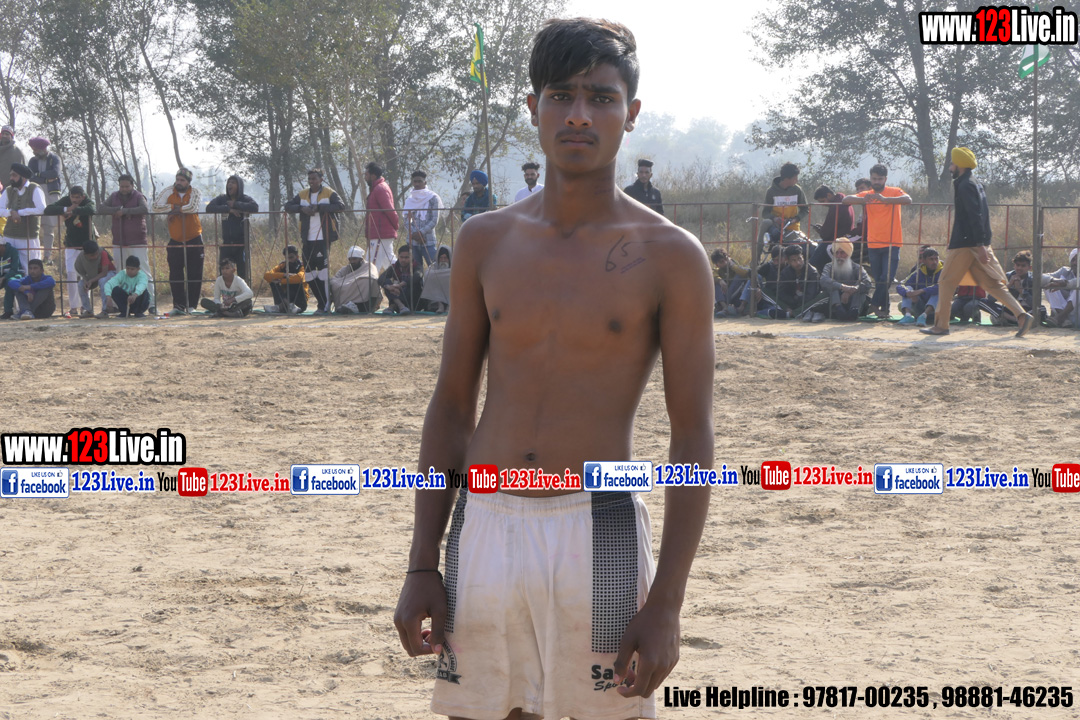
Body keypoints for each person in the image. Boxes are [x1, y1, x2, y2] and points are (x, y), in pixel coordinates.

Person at [394, 19, 713, 720]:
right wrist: (422, 561)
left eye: (601, 97)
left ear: (631, 112)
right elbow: (452, 407)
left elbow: (692, 435)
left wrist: (667, 602)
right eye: (561, 95)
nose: (578, 115)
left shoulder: (670, 254)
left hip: (601, 524)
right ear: (533, 107)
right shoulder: (485, 240)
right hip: (485, 518)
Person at [922, 148, 1035, 337]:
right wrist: (982, 243)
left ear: (959, 165)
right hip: (975, 242)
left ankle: (941, 326)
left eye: (952, 163)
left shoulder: (964, 185)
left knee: (946, 282)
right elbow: (979, 215)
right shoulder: (975, 183)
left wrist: (980, 244)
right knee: (992, 284)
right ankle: (1022, 315)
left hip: (967, 244)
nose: (950, 167)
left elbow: (974, 216)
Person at [843, 164, 911, 319]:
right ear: (871, 179)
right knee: (880, 279)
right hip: (873, 243)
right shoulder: (868, 194)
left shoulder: (894, 191)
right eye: (874, 179)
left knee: (887, 277)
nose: (877, 182)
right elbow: (846, 200)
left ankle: (874, 305)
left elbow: (908, 199)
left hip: (892, 242)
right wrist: (862, 199)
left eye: (880, 179)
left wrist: (886, 200)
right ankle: (884, 310)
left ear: (885, 179)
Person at [285, 168, 344, 314]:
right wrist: (302, 209)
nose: (311, 181)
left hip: (323, 238)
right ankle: (322, 301)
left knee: (323, 273)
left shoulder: (329, 192)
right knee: (309, 274)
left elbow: (340, 206)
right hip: (307, 239)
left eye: (314, 179)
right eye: (309, 179)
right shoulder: (303, 194)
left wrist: (320, 208)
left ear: (321, 179)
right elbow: (288, 206)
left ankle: (324, 305)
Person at [98, 174, 154, 312]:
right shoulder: (114, 196)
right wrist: (117, 210)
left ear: (132, 186)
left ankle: (151, 304)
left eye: (127, 186)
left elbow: (144, 209)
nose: (124, 189)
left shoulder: (139, 196)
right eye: (122, 186)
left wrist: (125, 211)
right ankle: (120, 305)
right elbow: (101, 208)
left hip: (137, 241)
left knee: (144, 271)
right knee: (120, 272)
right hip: (119, 241)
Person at [152, 168, 204, 315]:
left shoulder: (195, 192)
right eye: (177, 179)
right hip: (175, 239)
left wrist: (175, 211)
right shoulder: (168, 191)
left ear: (188, 182)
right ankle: (178, 305)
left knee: (195, 274)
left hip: (194, 238)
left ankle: (191, 306)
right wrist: (173, 207)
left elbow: (192, 207)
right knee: (175, 274)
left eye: (182, 180)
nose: (179, 182)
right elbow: (155, 207)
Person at [44, 185, 94, 317]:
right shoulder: (66, 201)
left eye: (78, 197)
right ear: (69, 196)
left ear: (83, 197)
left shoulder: (87, 201)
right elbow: (48, 209)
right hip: (71, 244)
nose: (75, 200)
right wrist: (66, 209)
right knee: (71, 274)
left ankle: (85, 306)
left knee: (85, 276)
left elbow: (92, 209)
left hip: (86, 246)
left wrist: (75, 210)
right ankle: (73, 307)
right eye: (73, 197)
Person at [205, 175, 258, 281]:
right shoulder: (222, 199)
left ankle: (243, 292)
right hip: (227, 243)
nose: (230, 184)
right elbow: (209, 208)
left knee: (243, 273)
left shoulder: (245, 199)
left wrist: (236, 204)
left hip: (242, 244)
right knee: (224, 272)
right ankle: (225, 292)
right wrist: (228, 209)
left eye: (233, 182)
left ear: (239, 186)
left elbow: (255, 207)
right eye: (229, 182)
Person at [0, 162, 46, 273]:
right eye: (11, 175)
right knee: (9, 268)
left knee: (30, 269)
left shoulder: (34, 189)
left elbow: (42, 209)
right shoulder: (9, 190)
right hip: (9, 236)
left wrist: (20, 213)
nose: (11, 178)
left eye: (14, 175)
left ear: (23, 177)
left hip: (28, 237)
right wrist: (11, 213)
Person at [28, 137, 62, 264]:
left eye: (36, 149)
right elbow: (30, 176)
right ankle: (34, 256)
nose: (34, 152)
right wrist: (45, 179)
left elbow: (55, 173)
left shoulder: (55, 158)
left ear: (42, 148)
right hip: (35, 193)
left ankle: (47, 257)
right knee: (34, 225)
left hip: (51, 195)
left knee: (49, 226)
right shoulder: (32, 160)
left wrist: (38, 176)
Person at [820, 238, 872, 320]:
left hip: (854, 301)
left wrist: (851, 290)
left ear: (848, 253)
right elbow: (823, 280)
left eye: (842, 253)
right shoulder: (829, 266)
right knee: (832, 286)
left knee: (860, 287)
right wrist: (842, 286)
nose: (839, 256)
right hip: (835, 302)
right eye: (837, 253)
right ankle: (838, 308)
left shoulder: (857, 267)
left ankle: (854, 310)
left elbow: (867, 282)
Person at [760, 162, 808, 245]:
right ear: (786, 179)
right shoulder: (771, 191)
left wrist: (795, 219)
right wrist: (775, 219)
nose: (797, 180)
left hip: (793, 228)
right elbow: (765, 213)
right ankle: (758, 251)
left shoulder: (797, 190)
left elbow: (805, 209)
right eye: (794, 178)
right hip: (775, 228)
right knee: (765, 224)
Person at [365, 162, 400, 274]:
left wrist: (395, 226)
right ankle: (402, 279)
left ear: (373, 176)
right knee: (390, 262)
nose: (365, 177)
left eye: (366, 175)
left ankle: (371, 285)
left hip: (380, 233)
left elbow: (390, 210)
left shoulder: (380, 189)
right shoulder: (377, 188)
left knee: (372, 265)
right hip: (380, 233)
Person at [810, 185, 854, 272]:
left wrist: (821, 231)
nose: (823, 205)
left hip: (836, 240)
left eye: (823, 201)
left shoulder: (836, 207)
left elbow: (826, 234)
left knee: (812, 264)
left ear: (829, 195)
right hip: (842, 236)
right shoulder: (842, 201)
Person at [776, 244, 826, 321]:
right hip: (791, 302)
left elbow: (811, 296)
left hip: (808, 303)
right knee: (768, 292)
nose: (798, 263)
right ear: (788, 261)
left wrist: (796, 302)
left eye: (799, 258)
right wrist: (790, 303)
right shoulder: (785, 273)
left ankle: (794, 313)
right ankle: (795, 312)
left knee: (824, 295)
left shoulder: (812, 272)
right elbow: (781, 293)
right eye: (794, 260)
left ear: (803, 257)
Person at [896, 246, 942, 326]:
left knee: (939, 292)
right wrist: (908, 293)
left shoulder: (943, 272)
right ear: (924, 261)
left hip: (936, 309)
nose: (934, 262)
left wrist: (922, 290)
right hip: (920, 306)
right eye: (931, 259)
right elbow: (901, 285)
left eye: (936, 259)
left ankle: (924, 316)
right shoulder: (918, 272)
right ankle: (908, 316)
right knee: (908, 289)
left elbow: (944, 286)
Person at [403, 170, 441, 268]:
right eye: (415, 181)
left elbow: (434, 220)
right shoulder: (410, 199)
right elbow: (406, 221)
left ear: (425, 182)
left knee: (434, 268)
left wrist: (421, 233)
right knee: (415, 270)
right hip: (413, 241)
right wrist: (415, 234)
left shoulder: (433, 198)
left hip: (428, 240)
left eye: (419, 181)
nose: (417, 184)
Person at [331, 245, 381, 314]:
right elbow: (335, 279)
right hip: (347, 299)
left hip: (365, 302)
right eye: (350, 259)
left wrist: (352, 283)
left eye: (354, 259)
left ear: (360, 259)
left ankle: (361, 306)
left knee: (367, 281)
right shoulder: (346, 269)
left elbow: (372, 276)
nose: (352, 261)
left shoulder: (368, 266)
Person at [73, 240, 117, 317]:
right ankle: (88, 310)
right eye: (92, 255)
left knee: (102, 281)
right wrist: (86, 281)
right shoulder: (81, 258)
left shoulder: (102, 253)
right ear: (85, 254)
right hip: (93, 276)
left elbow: (104, 273)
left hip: (109, 273)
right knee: (81, 285)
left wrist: (91, 280)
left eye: (96, 253)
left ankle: (105, 311)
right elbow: (82, 273)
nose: (96, 256)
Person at [378, 244, 424, 315]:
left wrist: (401, 285)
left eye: (406, 257)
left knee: (413, 284)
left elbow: (418, 276)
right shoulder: (395, 267)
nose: (403, 260)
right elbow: (381, 278)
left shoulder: (416, 266)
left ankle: (393, 306)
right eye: (401, 257)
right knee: (386, 282)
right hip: (396, 292)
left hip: (412, 300)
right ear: (398, 256)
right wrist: (389, 287)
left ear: (412, 257)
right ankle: (400, 305)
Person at [263, 245, 307, 314]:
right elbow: (267, 275)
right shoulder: (282, 266)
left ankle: (282, 307)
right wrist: (284, 275)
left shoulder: (302, 266)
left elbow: (300, 278)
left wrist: (282, 281)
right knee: (273, 282)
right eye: (286, 258)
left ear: (297, 257)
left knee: (294, 281)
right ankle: (283, 305)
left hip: (299, 303)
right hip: (285, 300)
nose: (289, 260)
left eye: (291, 257)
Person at [1043, 248, 1078, 328]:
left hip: (1077, 313)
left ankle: (1060, 317)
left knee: (1077, 289)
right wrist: (1055, 280)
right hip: (1064, 313)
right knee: (1049, 285)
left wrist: (1065, 283)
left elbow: (1076, 282)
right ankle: (1064, 319)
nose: (1075, 263)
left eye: (1078, 260)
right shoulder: (1064, 271)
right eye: (1073, 260)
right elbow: (1043, 277)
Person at [711, 247, 749, 317]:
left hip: (736, 295)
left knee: (739, 276)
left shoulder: (734, 265)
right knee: (715, 282)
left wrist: (732, 266)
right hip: (724, 296)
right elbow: (712, 275)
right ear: (717, 265)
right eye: (721, 262)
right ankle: (725, 308)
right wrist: (720, 280)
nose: (725, 262)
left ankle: (739, 308)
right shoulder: (718, 270)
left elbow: (745, 273)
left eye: (726, 259)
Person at [419, 245, 452, 313]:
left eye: (445, 258)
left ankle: (450, 305)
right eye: (441, 258)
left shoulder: (454, 266)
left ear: (449, 259)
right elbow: (428, 274)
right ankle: (440, 305)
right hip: (437, 298)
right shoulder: (434, 266)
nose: (443, 260)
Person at [0, 237, 22, 319]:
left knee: (10, 283)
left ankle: (8, 311)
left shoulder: (13, 251)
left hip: (15, 275)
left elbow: (15, 269)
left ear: (2, 245)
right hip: (2, 276)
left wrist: (3, 278)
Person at [0, 126, 26, 192]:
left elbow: (22, 172)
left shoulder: (17, 152)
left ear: (11, 136)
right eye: (3, 134)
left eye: (7, 134)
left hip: (10, 188)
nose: (4, 136)